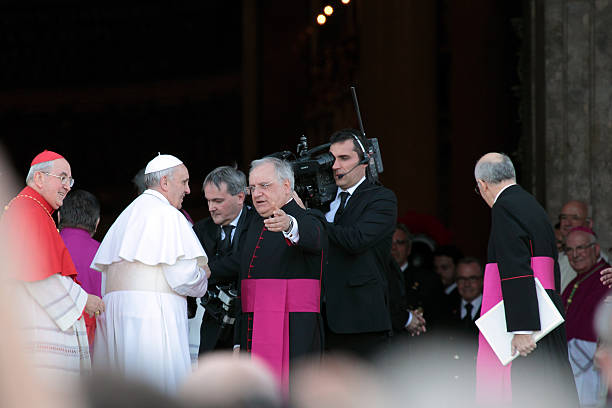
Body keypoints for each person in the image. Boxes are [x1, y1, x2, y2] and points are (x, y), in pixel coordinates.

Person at [91, 154, 210, 394]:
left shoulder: (125, 217)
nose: (188, 190)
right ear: (165, 182)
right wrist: (203, 276)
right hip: (152, 317)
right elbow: (183, 278)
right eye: (184, 182)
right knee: (156, 389)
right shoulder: (168, 216)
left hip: (118, 316)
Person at [208, 157, 326, 391]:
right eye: (253, 188)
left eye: (265, 186)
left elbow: (313, 236)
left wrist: (289, 225)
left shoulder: (309, 218)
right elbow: (245, 286)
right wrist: (238, 342)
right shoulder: (254, 225)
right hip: (253, 331)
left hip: (296, 333)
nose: (257, 193)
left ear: (285, 186)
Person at [473, 152, 577, 407]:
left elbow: (515, 265)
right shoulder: (530, 203)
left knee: (525, 392)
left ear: (483, 185)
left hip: (528, 318)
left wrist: (521, 329)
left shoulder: (504, 206)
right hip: (545, 307)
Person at [0, 150, 104, 387]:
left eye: (70, 180)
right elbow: (39, 276)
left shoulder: (35, 210)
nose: (68, 186)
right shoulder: (27, 211)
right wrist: (82, 299)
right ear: (39, 179)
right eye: (63, 178)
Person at [320, 129, 398, 356]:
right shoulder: (321, 200)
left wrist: (311, 219)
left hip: (361, 322)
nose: (335, 166)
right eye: (332, 159)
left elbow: (356, 240)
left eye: (344, 158)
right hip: (321, 320)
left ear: (365, 160)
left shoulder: (382, 198)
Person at [192, 165, 254, 353]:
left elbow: (248, 261)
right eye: (208, 201)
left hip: (249, 321)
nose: (211, 208)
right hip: (213, 322)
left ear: (240, 197)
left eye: (218, 201)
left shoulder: (259, 223)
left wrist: (210, 270)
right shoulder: (201, 229)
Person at [561, 227, 610, 406]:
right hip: (572, 366)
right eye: (569, 250)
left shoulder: (607, 277)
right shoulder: (574, 282)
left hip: (593, 365)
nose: (575, 255)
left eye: (580, 248)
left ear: (595, 249)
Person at [59, 189, 102, 350]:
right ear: (97, 222)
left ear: (59, 216)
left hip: (51, 344)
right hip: (93, 349)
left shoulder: (45, 248)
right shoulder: (104, 255)